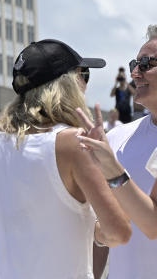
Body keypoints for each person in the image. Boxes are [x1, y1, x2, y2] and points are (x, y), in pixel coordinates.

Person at [0, 39, 132, 277]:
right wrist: (111, 170)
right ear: (66, 84)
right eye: (83, 75)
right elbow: (119, 233)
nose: (85, 85)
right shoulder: (74, 144)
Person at [79, 32, 157, 279]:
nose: (136, 74)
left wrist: (112, 168)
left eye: (146, 64)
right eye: (135, 65)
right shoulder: (116, 137)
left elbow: (153, 225)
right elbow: (103, 224)